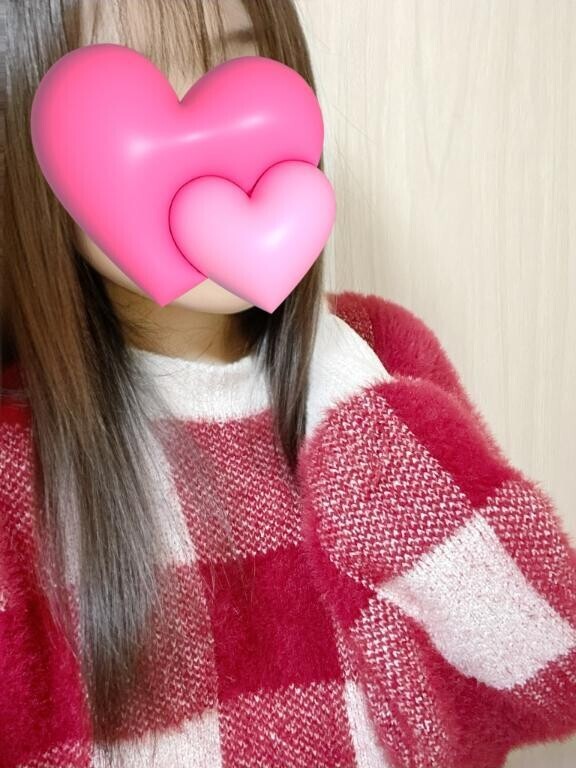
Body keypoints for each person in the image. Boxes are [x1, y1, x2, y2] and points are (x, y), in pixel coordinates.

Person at [2, 2, 576, 767]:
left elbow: (545, 680)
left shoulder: (379, 355)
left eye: (235, 62)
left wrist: (352, 409)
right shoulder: (15, 466)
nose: (206, 146)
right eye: (125, 89)